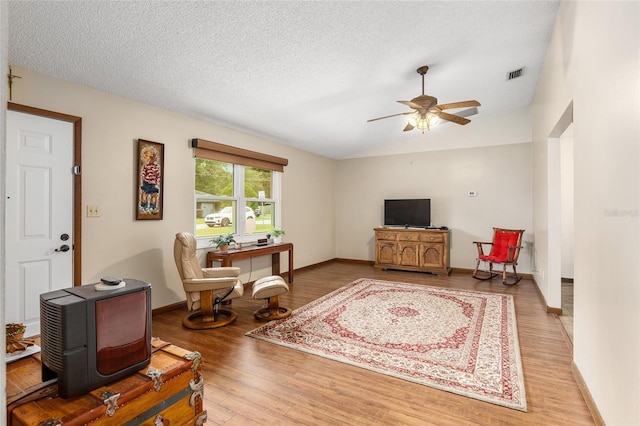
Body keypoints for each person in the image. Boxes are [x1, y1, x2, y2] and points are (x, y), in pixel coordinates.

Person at [139, 145, 161, 213]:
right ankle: (143, 206)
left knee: (154, 195)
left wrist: (157, 181)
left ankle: (152, 206)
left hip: (153, 183)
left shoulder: (156, 166)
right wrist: (144, 179)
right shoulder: (145, 166)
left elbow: (158, 175)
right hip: (146, 182)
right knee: (144, 194)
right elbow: (143, 174)